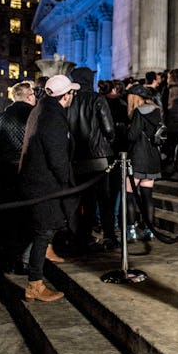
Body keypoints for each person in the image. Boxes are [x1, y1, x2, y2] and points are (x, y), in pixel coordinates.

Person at [19, 74, 79, 302]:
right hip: (44, 183)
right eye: (72, 93)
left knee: (43, 229)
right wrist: (66, 181)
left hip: (36, 181)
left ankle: (39, 262)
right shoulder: (53, 116)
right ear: (66, 96)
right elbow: (57, 156)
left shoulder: (41, 109)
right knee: (43, 231)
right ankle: (34, 283)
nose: (73, 96)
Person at [0, 81, 40, 272]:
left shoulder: (1, 117)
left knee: (8, 219)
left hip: (5, 175)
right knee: (28, 218)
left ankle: (6, 259)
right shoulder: (34, 116)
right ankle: (23, 261)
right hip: (28, 172)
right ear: (28, 96)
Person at [67, 67, 116, 251]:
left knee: (85, 200)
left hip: (78, 156)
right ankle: (109, 236)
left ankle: (84, 237)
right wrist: (108, 141)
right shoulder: (97, 99)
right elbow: (109, 129)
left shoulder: (70, 102)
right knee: (105, 200)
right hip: (99, 156)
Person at [124, 84, 163, 242]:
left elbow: (132, 136)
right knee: (148, 196)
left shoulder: (139, 112)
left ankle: (131, 230)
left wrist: (125, 130)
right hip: (152, 157)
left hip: (138, 157)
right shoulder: (157, 110)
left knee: (130, 196)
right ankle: (149, 229)